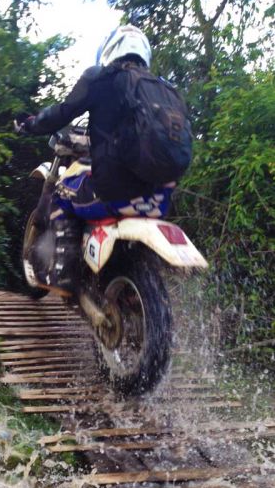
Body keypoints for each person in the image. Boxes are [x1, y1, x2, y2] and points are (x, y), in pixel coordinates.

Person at [16, 25, 175, 293]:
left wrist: (30, 124)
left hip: (114, 192)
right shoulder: (162, 90)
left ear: (111, 50)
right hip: (159, 200)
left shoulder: (100, 78)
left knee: (62, 194)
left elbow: (61, 113)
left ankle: (64, 275)